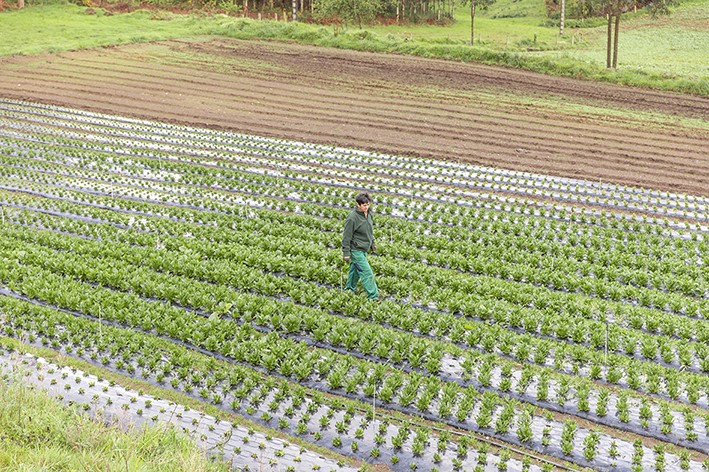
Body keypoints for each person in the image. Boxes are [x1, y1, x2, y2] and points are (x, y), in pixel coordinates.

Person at [342, 192, 379, 301]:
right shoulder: (352, 218)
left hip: (364, 249)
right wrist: (346, 253)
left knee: (355, 270)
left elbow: (369, 230)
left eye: (368, 204)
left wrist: (372, 243)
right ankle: (373, 297)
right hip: (355, 250)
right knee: (366, 272)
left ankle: (349, 289)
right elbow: (346, 237)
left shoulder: (368, 214)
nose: (366, 207)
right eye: (364, 205)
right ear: (358, 204)